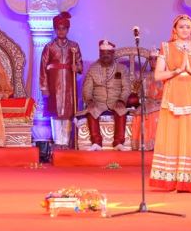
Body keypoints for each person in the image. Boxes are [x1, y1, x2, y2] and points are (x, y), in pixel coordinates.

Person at [149, 14, 191, 192]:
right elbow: (158, 75)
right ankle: (173, 178)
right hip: (174, 96)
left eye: (188, 27)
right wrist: (177, 70)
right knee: (174, 133)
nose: (185, 30)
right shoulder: (166, 47)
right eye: (181, 27)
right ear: (175, 29)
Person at [39, 11, 83, 146]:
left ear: (67, 29)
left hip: (69, 84)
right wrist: (44, 87)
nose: (61, 31)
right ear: (55, 30)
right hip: (54, 83)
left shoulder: (74, 46)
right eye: (58, 28)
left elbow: (80, 64)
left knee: (68, 111)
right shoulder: (49, 47)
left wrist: (77, 67)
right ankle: (58, 141)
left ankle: (66, 141)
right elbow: (43, 67)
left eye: (64, 28)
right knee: (56, 111)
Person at [82, 40, 131, 151]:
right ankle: (96, 143)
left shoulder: (121, 68)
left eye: (108, 53)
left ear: (113, 54)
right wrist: (89, 100)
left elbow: (127, 88)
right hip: (98, 102)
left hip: (116, 101)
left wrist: (122, 100)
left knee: (121, 110)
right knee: (91, 110)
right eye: (103, 53)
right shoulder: (93, 68)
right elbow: (87, 88)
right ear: (99, 54)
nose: (105, 56)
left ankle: (118, 143)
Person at [130, 47, 163, 151]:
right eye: (151, 59)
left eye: (156, 59)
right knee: (142, 113)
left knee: (156, 113)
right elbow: (137, 92)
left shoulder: (165, 75)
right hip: (148, 102)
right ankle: (146, 144)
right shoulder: (143, 75)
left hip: (162, 103)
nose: (153, 61)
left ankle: (159, 144)